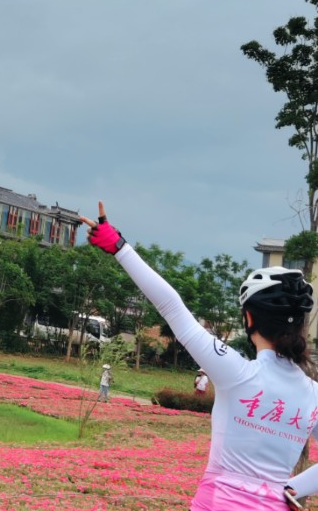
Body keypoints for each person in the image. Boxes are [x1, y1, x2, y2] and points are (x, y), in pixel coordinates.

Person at [80, 201, 318, 511]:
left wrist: (119, 247)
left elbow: (171, 306)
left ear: (249, 320)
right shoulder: (312, 395)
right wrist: (291, 489)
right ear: (301, 326)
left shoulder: (237, 372)